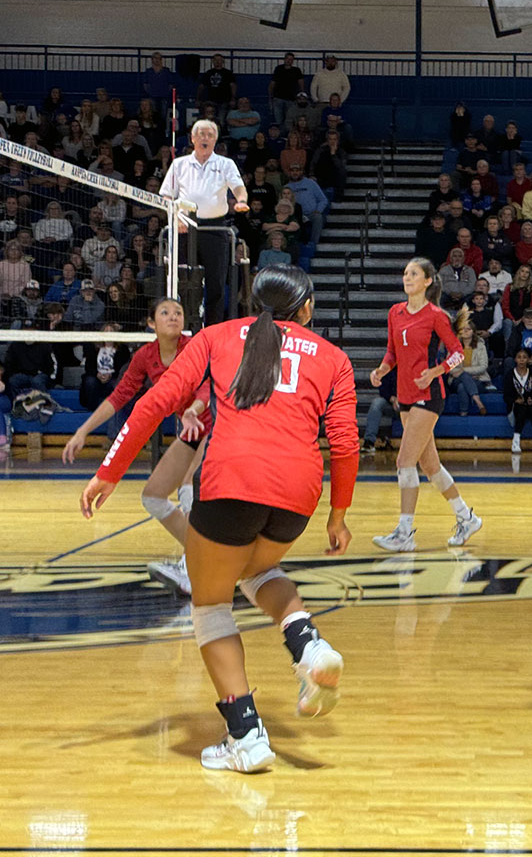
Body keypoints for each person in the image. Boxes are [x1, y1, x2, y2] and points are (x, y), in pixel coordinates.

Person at [79, 266, 358, 773]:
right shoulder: (334, 357)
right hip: (298, 494)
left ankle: (247, 738)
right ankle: (308, 645)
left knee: (210, 607)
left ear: (255, 303)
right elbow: (344, 442)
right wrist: (338, 516)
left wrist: (109, 471)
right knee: (257, 572)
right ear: (308, 308)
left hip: (232, 482)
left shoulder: (217, 337)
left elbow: (154, 403)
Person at [64, 298, 210, 594]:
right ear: (151, 323)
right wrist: (83, 430)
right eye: (165, 313)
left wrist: (193, 409)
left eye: (179, 313)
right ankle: (209, 554)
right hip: (191, 428)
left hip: (216, 423)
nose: (174, 317)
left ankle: (193, 569)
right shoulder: (145, 356)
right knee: (153, 497)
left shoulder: (193, 347)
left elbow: (208, 386)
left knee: (188, 487)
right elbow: (119, 397)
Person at [369, 258, 481, 551]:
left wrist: (435, 371)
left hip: (429, 396)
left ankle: (404, 534)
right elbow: (392, 352)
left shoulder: (436, 316)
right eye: (405, 273)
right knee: (430, 466)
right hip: (405, 396)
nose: (407, 277)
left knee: (404, 462)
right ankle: (466, 517)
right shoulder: (395, 312)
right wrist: (382, 369)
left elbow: (457, 353)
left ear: (428, 281)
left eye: (413, 274)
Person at [160, 119, 249, 325]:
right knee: (182, 280)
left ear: (216, 139)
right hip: (183, 227)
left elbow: (238, 187)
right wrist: (176, 217)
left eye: (209, 135)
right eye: (201, 134)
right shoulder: (179, 164)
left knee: (216, 282)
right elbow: (165, 196)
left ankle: (213, 329)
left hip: (214, 228)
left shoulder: (225, 164)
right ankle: (182, 325)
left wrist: (242, 200)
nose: (205, 138)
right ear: (192, 138)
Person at [504, 347, 532, 454]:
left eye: (524, 357)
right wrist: (516, 399)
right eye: (519, 357)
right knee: (522, 409)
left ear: (529, 359)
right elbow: (506, 395)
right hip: (517, 406)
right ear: (515, 359)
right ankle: (516, 440)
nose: (522, 360)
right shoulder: (510, 375)